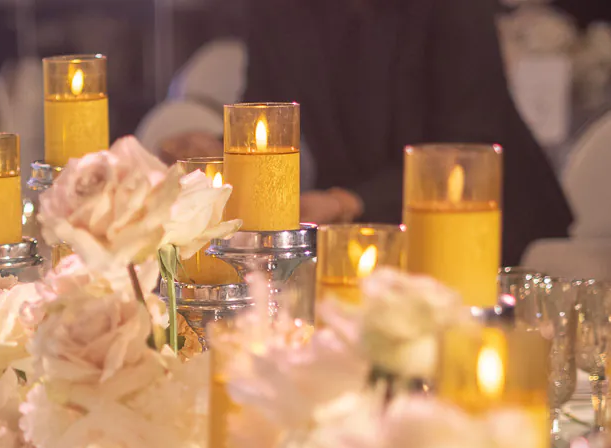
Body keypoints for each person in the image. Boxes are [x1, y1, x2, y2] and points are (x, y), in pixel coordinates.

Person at [163, 0, 573, 264]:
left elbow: (465, 146)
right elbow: (266, 109)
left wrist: (347, 201)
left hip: (485, 222)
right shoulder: (279, 11)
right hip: (351, 223)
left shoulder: (454, 10)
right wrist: (218, 150)